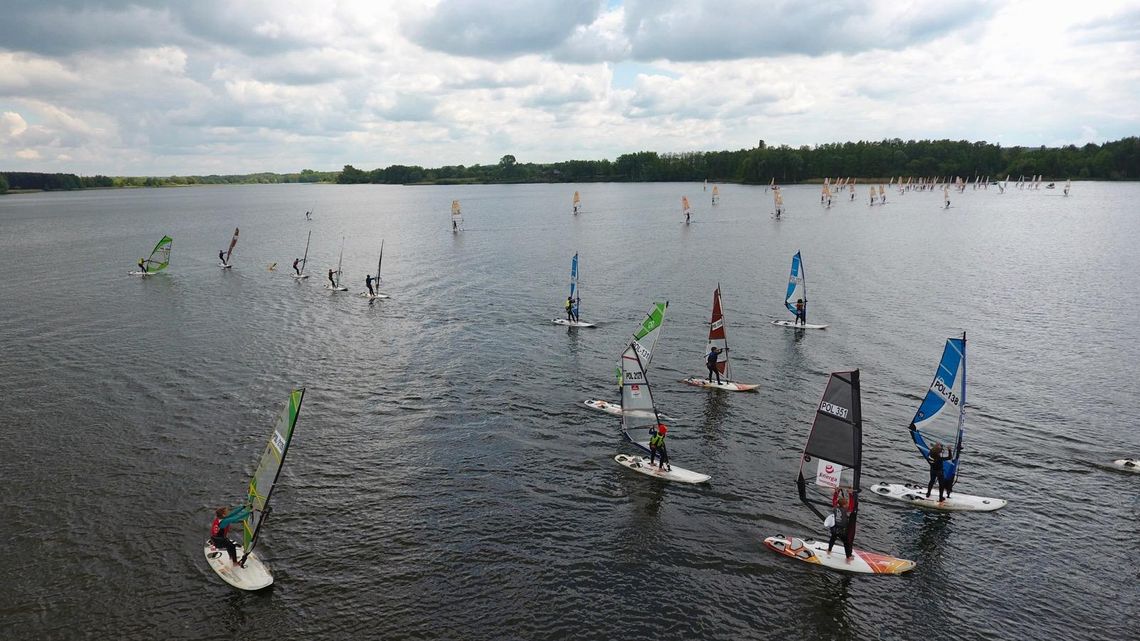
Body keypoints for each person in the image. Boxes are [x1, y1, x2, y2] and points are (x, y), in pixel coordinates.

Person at [826, 489, 854, 560]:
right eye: (846, 504)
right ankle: (848, 558)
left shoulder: (835, 507)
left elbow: (834, 500)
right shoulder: (847, 510)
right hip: (842, 531)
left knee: (832, 539)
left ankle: (829, 550)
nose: (848, 504)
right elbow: (852, 505)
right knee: (846, 543)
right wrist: (850, 494)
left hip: (834, 529)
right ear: (844, 505)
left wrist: (837, 492)